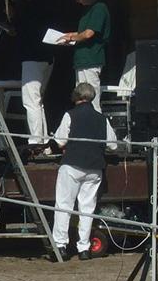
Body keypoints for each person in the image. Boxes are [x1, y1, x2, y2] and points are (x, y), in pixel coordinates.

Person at [50, 82, 118, 260]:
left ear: (76, 96)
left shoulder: (70, 115)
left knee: (64, 205)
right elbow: (113, 145)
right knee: (87, 208)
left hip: (73, 165)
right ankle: (84, 248)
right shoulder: (102, 118)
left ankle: (61, 246)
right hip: (94, 167)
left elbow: (59, 141)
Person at [11, 0, 56, 145]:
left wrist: (14, 20)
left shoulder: (33, 6)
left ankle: (37, 139)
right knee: (38, 101)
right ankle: (42, 139)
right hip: (46, 56)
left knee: (31, 100)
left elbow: (29, 30)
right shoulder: (41, 4)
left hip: (34, 57)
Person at [59, 0, 110, 112]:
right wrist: (69, 35)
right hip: (82, 61)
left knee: (92, 98)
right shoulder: (87, 9)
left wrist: (71, 38)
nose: (78, 0)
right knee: (81, 99)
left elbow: (88, 34)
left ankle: (96, 130)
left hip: (91, 60)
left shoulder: (99, 8)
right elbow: (83, 32)